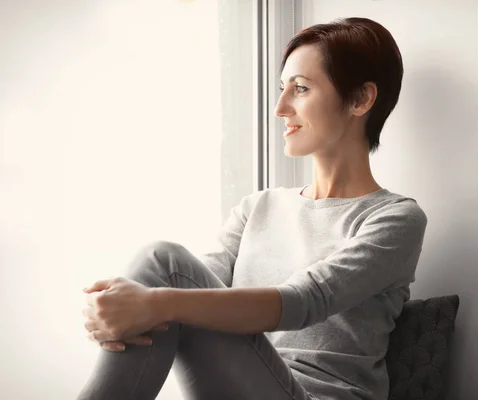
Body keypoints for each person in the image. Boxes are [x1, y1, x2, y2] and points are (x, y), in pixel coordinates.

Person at [78, 17, 427, 400]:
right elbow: (191, 293)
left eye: (301, 89)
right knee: (163, 273)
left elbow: (304, 301)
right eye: (282, 89)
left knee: (166, 264)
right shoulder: (257, 207)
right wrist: (123, 310)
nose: (280, 108)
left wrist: (153, 302)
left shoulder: (394, 218)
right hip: (239, 385)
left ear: (360, 99)